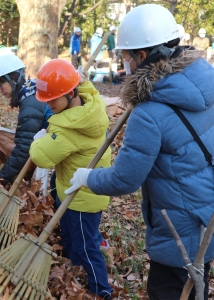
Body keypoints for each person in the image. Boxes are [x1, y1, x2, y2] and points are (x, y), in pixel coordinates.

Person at [66, 4, 214, 300]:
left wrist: (87, 178)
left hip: (179, 227)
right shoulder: (205, 83)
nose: (123, 63)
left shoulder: (149, 113)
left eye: (125, 55)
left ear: (143, 56)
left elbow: (125, 179)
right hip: (207, 214)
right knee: (197, 282)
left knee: (169, 290)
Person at [29, 59, 113, 299]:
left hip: (80, 199)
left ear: (70, 94)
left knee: (86, 246)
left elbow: (42, 157)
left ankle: (102, 289)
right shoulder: (90, 106)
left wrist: (37, 142)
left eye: (52, 100)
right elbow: (90, 90)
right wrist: (83, 81)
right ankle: (72, 274)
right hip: (75, 190)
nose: (49, 105)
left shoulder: (68, 129)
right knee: (69, 236)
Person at [0, 54, 52, 185]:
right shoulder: (31, 90)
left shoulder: (30, 104)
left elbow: (24, 149)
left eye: (1, 83)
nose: (0, 90)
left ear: (14, 79)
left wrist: (0, 179)